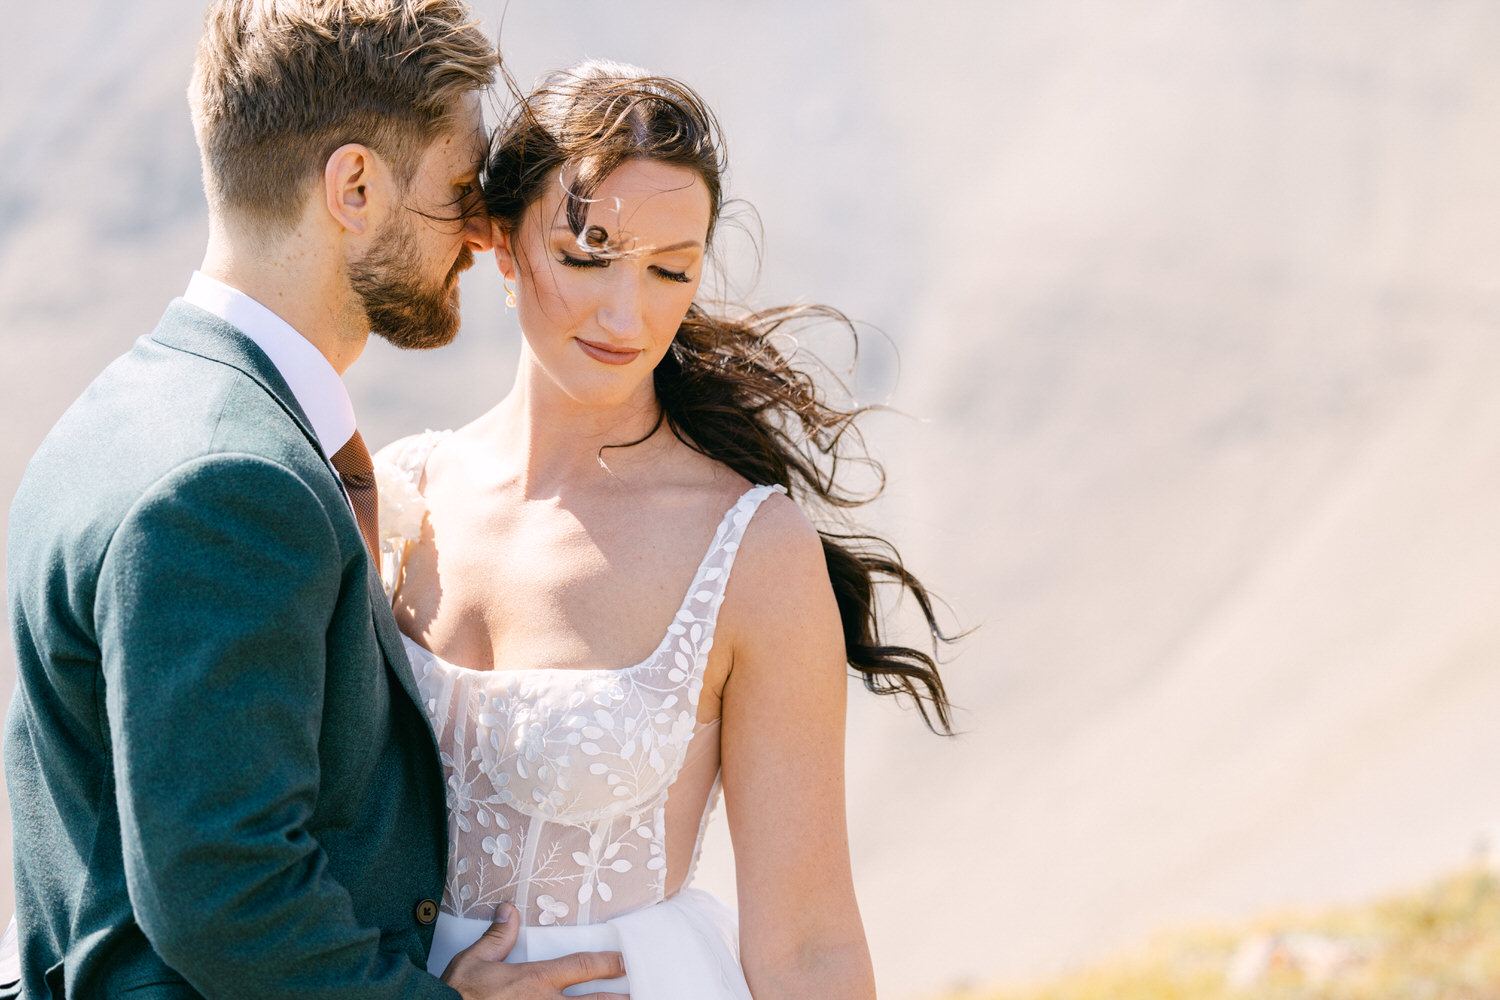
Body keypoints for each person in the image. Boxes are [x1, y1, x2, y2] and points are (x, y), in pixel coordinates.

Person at [1, 3, 625, 997]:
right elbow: (227, 891)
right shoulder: (227, 486)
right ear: (356, 186)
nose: (478, 228)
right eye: (459, 188)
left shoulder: (121, 412)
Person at [375, 61, 956, 999]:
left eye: (670, 270)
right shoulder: (397, 494)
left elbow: (809, 942)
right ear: (502, 243)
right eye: (589, 254)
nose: (627, 314)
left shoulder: (751, 551)